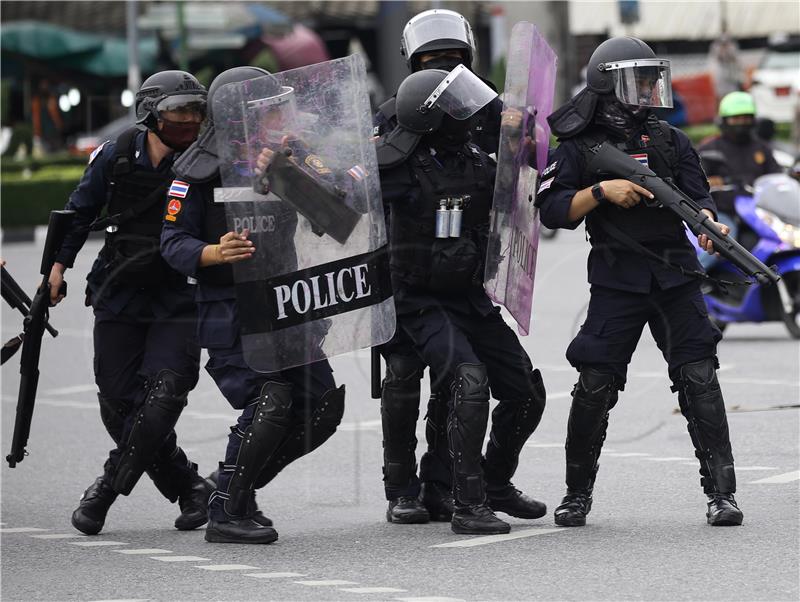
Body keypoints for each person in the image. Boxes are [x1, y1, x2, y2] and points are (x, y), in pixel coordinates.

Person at [537, 36, 743, 527]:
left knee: (699, 378)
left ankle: (722, 494)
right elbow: (552, 211)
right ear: (609, 85)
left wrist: (712, 225)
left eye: (653, 79)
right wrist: (601, 191)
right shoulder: (580, 148)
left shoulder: (672, 141)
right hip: (617, 280)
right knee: (595, 383)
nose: (650, 89)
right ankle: (576, 494)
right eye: (639, 81)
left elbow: (701, 199)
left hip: (676, 276)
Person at [160, 66, 346, 544]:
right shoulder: (195, 173)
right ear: (243, 117)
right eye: (270, 110)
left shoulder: (287, 156)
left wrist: (288, 173)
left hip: (286, 301)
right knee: (270, 400)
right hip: (230, 307)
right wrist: (212, 253)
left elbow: (337, 216)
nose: (281, 116)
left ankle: (235, 487)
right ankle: (227, 510)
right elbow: (172, 242)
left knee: (321, 404)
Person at [376, 67, 547, 535]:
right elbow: (338, 203)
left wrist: (531, 147)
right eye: (457, 107)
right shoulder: (397, 167)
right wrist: (290, 174)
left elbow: (525, 197)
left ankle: (493, 483)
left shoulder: (476, 158)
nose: (470, 114)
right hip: (419, 301)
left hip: (471, 296)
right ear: (433, 116)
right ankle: (465, 503)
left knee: (526, 392)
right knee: (470, 381)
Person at [47, 71, 211, 535]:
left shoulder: (206, 161)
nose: (190, 120)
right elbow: (78, 212)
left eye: (196, 111)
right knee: (118, 403)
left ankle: (105, 489)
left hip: (180, 294)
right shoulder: (117, 154)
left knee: (163, 394)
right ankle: (189, 485)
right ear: (151, 115)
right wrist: (57, 269)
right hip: (118, 290)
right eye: (179, 111)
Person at [373, 7, 504, 526]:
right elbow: (359, 192)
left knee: (460, 379)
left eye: (455, 60)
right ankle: (399, 487)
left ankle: (442, 482)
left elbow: (515, 169)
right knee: (405, 374)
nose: (447, 70)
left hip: (464, 266)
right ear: (413, 62)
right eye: (434, 60)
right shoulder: (392, 112)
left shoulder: (489, 110)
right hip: (406, 266)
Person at [697, 92, 782, 270]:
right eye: (736, 119)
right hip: (724, 210)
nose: (742, 123)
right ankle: (694, 276)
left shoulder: (761, 148)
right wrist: (713, 182)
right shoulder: (710, 148)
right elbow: (696, 181)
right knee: (724, 237)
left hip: (758, 212)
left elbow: (776, 176)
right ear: (724, 121)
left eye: (746, 118)